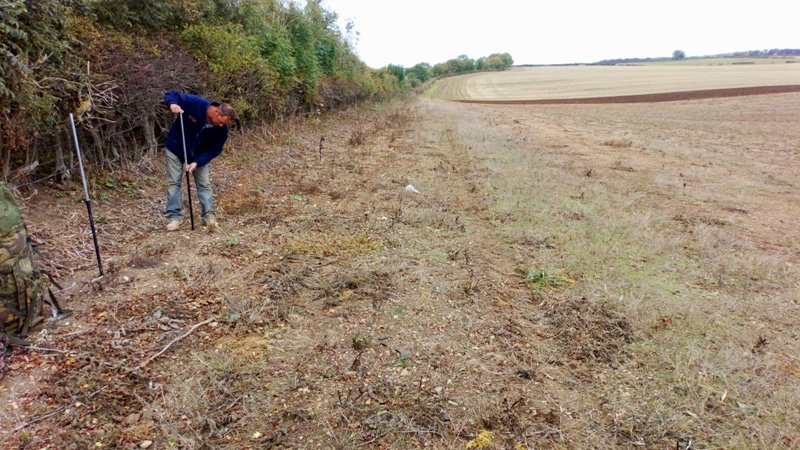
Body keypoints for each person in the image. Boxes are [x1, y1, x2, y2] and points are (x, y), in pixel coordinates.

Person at [163, 90, 235, 231]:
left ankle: (209, 217)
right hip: (176, 146)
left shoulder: (222, 130)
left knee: (204, 184)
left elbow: (214, 150)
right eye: (221, 122)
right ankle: (174, 217)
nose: (222, 125)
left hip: (198, 154)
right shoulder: (195, 103)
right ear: (216, 112)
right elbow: (171, 94)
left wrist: (197, 162)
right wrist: (172, 104)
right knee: (174, 182)